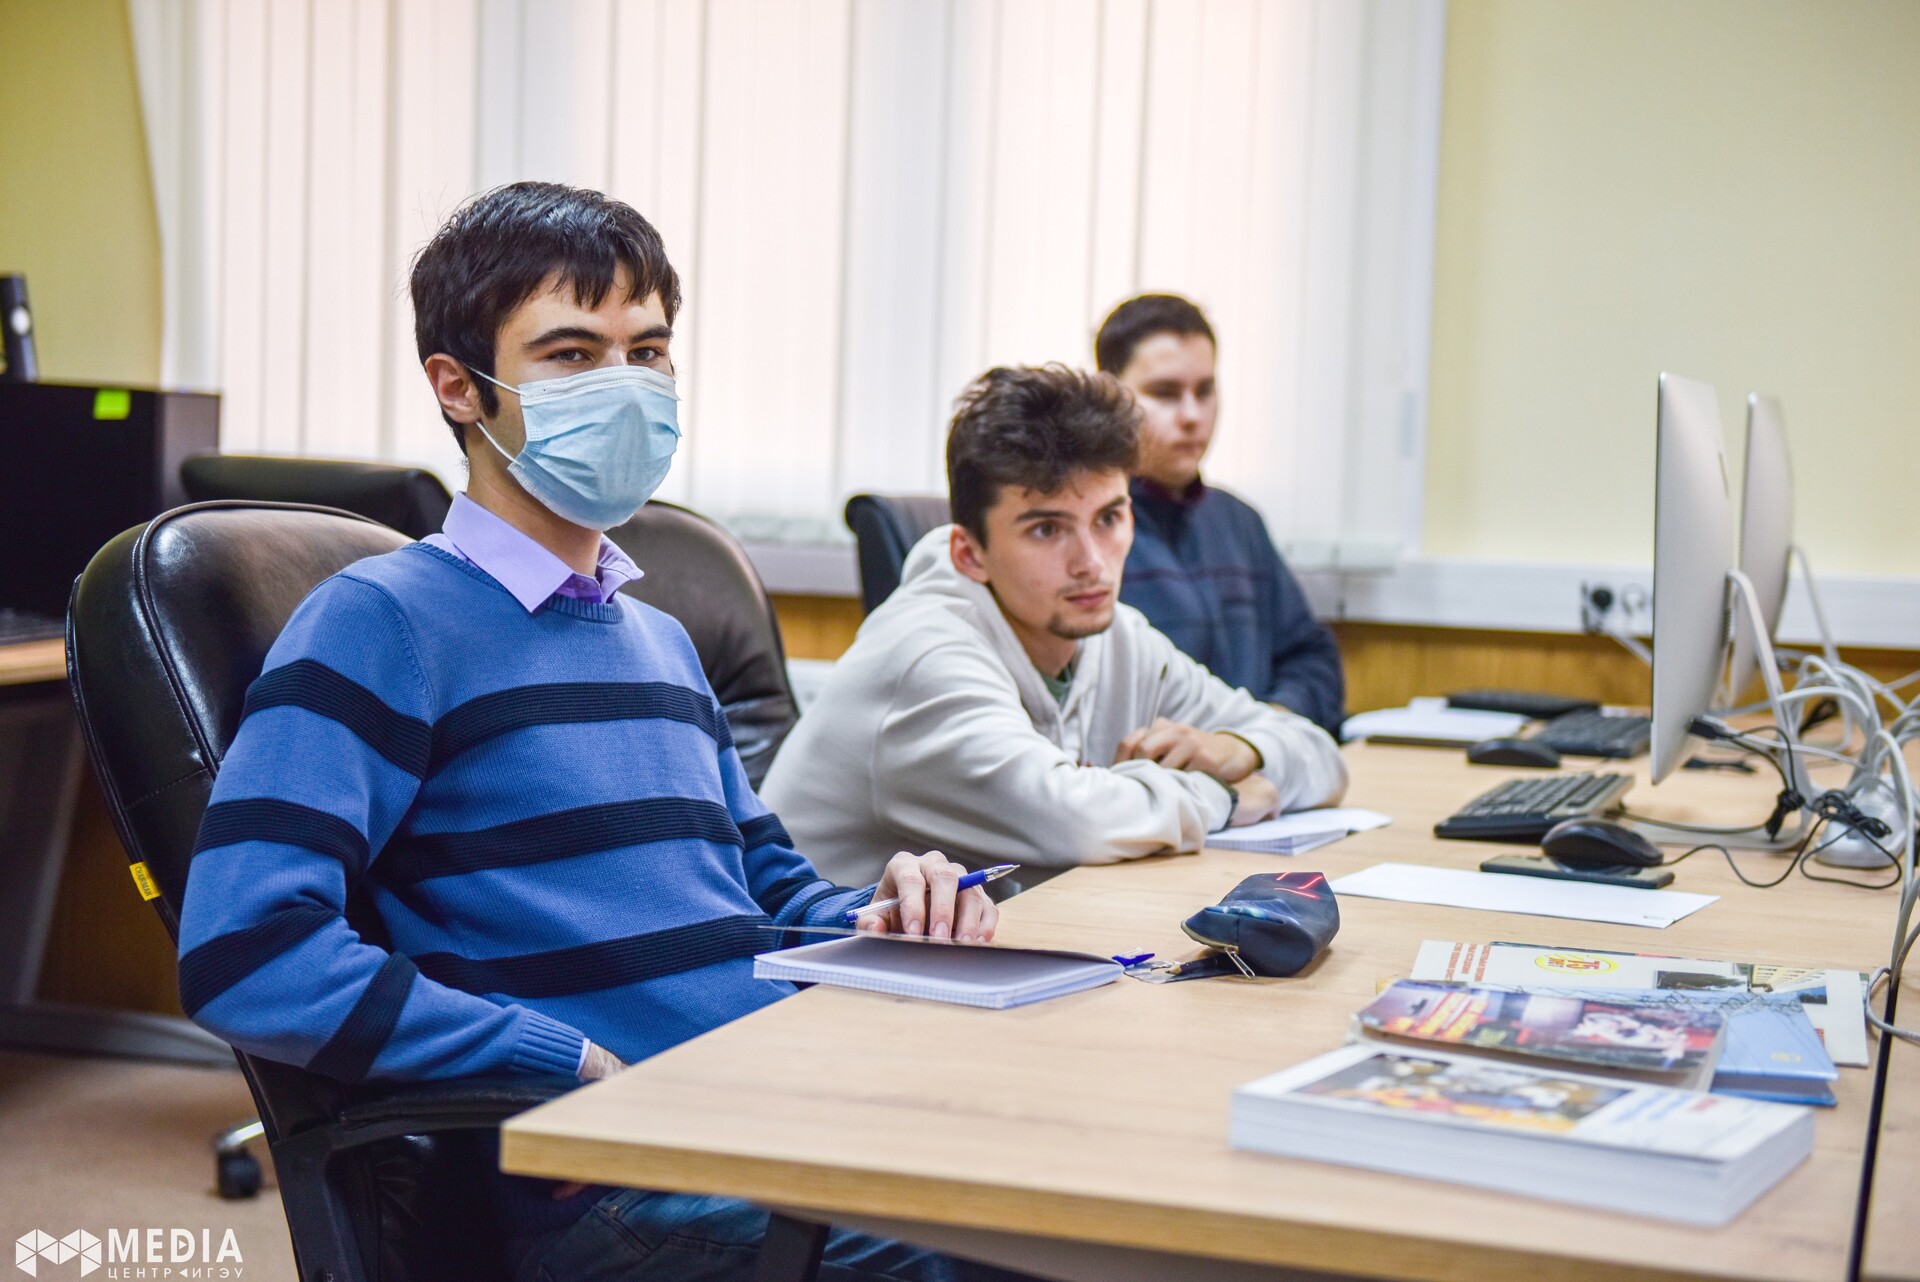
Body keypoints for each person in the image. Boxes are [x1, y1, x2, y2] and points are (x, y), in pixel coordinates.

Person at [176, 182, 1023, 1282]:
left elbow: (762, 891)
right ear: (458, 387)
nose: (626, 387)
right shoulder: (381, 623)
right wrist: (557, 1059)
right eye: (573, 355)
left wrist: (886, 918)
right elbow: (247, 951)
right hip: (621, 1185)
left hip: (774, 1106)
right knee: (1030, 1246)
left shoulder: (660, 639)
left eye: (649, 352)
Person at [761, 364, 1347, 888]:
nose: (1092, 563)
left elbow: (1320, 756)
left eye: (1109, 518)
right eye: (1047, 529)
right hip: (820, 958)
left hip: (975, 950)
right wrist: (1225, 794)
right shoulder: (926, 656)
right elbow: (1074, 822)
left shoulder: (1116, 635)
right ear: (969, 553)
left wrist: (1237, 748)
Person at [1095, 293, 1347, 735]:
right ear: (1109, 394)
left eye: (1205, 391)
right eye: (1165, 393)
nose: (1192, 415)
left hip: (1260, 764)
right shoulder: (1087, 532)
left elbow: (1311, 659)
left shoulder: (1238, 523)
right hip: (1147, 768)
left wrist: (1264, 734)